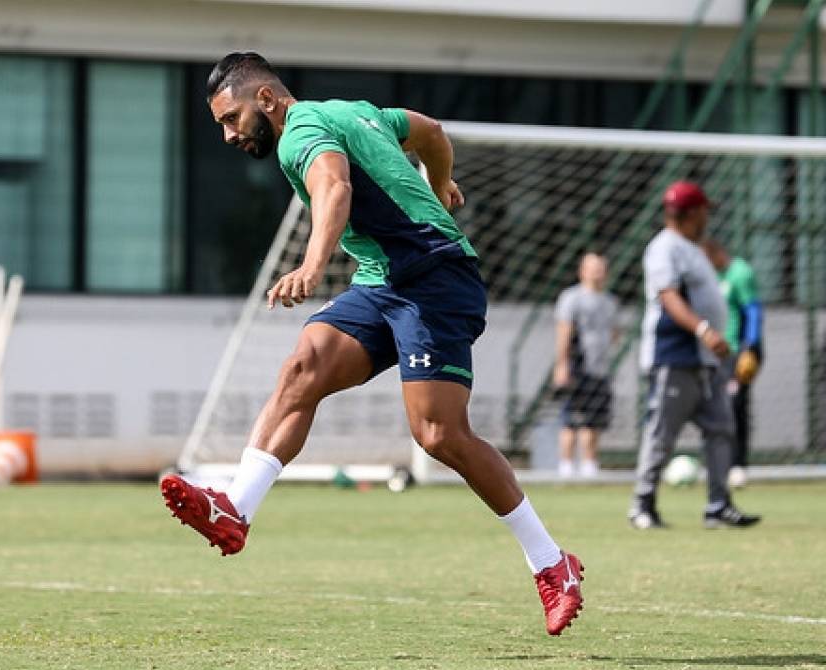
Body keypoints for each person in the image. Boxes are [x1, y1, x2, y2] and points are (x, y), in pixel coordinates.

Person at [159, 52, 584, 636]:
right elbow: (431, 132)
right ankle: (237, 508)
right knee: (302, 368)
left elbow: (333, 188)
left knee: (439, 434)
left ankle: (552, 562)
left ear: (265, 100)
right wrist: (440, 186)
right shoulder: (355, 111)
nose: (229, 135)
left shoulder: (299, 133)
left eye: (231, 119)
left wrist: (312, 265)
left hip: (435, 281)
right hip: (381, 279)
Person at [631, 180, 761, 530]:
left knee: (721, 428)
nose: (708, 215)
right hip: (674, 356)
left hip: (704, 361)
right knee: (662, 433)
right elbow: (669, 297)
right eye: (704, 209)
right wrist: (704, 330)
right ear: (690, 213)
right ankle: (642, 506)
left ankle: (718, 505)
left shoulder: (693, 247)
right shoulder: (664, 247)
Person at [702, 239, 763, 489]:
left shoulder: (740, 272)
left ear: (717, 252)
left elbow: (754, 311)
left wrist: (750, 347)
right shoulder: (708, 276)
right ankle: (715, 463)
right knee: (711, 407)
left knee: (735, 405)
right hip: (712, 353)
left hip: (738, 352)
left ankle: (738, 464)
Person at [553, 252, 619, 478]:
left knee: (594, 419)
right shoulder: (572, 298)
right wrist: (562, 364)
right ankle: (566, 465)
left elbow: (614, 332)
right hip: (577, 366)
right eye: (592, 268)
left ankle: (590, 464)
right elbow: (564, 330)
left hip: (600, 368)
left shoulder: (610, 301)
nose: (597, 273)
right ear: (582, 271)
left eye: (600, 268)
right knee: (571, 418)